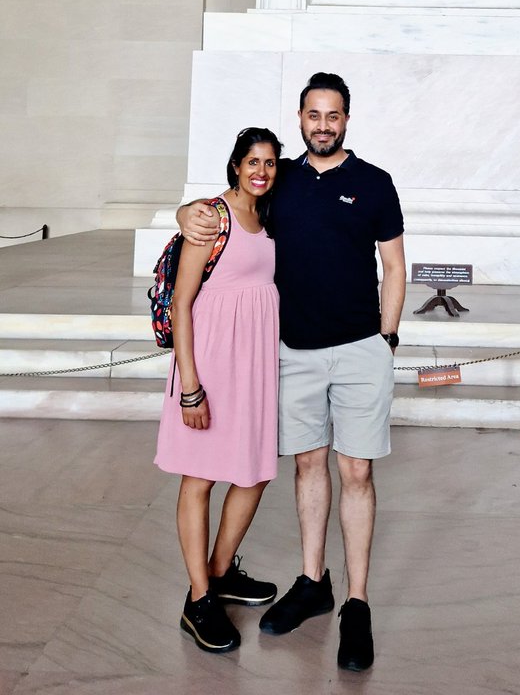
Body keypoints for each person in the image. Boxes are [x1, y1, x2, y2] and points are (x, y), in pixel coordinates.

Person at [177, 72, 406, 672]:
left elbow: (395, 264)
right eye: (313, 115)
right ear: (301, 118)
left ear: (347, 119)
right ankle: (313, 582)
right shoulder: (282, 181)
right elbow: (235, 201)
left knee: (355, 471)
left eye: (333, 115)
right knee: (308, 465)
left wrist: (387, 339)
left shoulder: (375, 184)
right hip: (295, 353)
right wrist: (186, 212)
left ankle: (356, 603)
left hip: (360, 347)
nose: (322, 125)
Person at [155, 126, 282, 654]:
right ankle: (199, 600)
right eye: (252, 161)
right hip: (207, 363)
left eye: (270, 163)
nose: (261, 171)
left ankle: (222, 570)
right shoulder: (212, 217)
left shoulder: (270, 216)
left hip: (252, 367)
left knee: (253, 474)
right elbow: (183, 302)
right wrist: (190, 387)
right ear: (235, 165)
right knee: (200, 480)